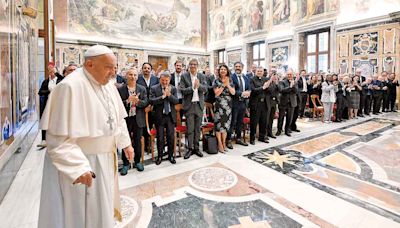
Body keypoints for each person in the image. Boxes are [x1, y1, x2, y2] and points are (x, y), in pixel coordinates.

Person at [38, 45, 134, 228]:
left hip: (105, 160)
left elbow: (117, 119)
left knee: (102, 211)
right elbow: (57, 138)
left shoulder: (108, 85)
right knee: (83, 216)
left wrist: (126, 144)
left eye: (114, 67)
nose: (113, 73)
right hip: (83, 164)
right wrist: (78, 167)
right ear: (90, 64)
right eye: (108, 67)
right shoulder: (69, 86)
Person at [118, 68, 148, 174]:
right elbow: (117, 104)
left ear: (137, 76)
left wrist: (138, 101)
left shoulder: (142, 88)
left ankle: (137, 161)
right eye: (130, 74)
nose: (133, 77)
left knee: (137, 141)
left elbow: (146, 102)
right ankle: (126, 164)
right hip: (126, 118)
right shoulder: (121, 89)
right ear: (126, 76)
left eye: (135, 75)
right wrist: (127, 101)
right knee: (125, 141)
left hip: (137, 118)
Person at [180, 59, 207, 159]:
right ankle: (190, 148)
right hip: (189, 106)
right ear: (188, 66)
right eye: (191, 64)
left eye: (195, 64)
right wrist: (192, 87)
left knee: (197, 129)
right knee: (190, 129)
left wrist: (198, 86)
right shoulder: (184, 76)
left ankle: (196, 148)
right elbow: (182, 90)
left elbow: (205, 89)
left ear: (197, 66)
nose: (193, 66)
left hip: (199, 105)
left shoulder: (201, 76)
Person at [150, 71, 179, 165]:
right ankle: (160, 156)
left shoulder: (173, 88)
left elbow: (176, 101)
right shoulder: (154, 88)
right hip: (160, 116)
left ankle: (170, 155)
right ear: (160, 79)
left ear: (169, 80)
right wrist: (162, 97)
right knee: (160, 138)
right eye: (163, 80)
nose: (164, 82)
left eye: (166, 80)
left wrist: (169, 95)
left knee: (171, 137)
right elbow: (152, 100)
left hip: (170, 116)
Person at [37, 64, 64, 148]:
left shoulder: (60, 80)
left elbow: (65, 79)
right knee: (45, 120)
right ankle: (43, 140)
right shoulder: (45, 81)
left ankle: (58, 138)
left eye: (53, 71)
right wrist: (49, 91)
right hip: (48, 104)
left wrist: (57, 73)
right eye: (50, 71)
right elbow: (40, 92)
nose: (51, 73)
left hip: (58, 104)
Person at [213, 64, 235, 152]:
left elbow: (233, 93)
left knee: (226, 126)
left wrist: (228, 85)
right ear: (219, 71)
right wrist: (223, 85)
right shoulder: (216, 81)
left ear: (227, 71)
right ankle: (219, 143)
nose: (222, 71)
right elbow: (217, 93)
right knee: (219, 125)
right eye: (221, 69)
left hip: (228, 106)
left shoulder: (230, 80)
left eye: (224, 69)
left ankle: (224, 142)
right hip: (219, 105)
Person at [228, 62, 250, 148]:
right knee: (232, 122)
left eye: (239, 66)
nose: (238, 68)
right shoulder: (231, 77)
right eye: (236, 66)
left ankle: (238, 138)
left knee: (240, 122)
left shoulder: (245, 77)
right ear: (234, 68)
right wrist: (241, 93)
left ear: (242, 67)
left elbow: (248, 87)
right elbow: (232, 90)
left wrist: (248, 92)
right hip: (234, 102)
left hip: (243, 103)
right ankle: (229, 139)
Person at [249, 66, 269, 145]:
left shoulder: (266, 79)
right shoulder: (252, 79)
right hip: (256, 104)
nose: (259, 72)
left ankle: (262, 137)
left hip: (264, 103)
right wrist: (263, 87)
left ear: (263, 72)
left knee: (263, 121)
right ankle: (252, 139)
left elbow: (269, 90)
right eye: (258, 71)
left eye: (261, 71)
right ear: (255, 71)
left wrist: (267, 87)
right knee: (254, 122)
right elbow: (253, 90)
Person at [277, 70, 297, 137]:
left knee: (289, 118)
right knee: (281, 117)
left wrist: (293, 86)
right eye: (288, 74)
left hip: (292, 102)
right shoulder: (282, 82)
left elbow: (296, 91)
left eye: (290, 74)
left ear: (292, 75)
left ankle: (287, 130)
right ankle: (279, 130)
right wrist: (290, 87)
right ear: (286, 75)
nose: (289, 76)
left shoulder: (295, 82)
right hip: (283, 102)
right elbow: (282, 90)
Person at [265, 73, 279, 138]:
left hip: (274, 102)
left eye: (276, 77)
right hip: (268, 102)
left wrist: (276, 83)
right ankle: (265, 133)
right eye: (274, 77)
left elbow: (280, 90)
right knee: (267, 119)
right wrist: (271, 81)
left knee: (271, 119)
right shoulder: (267, 82)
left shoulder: (276, 83)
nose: (275, 78)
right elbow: (269, 90)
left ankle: (270, 132)